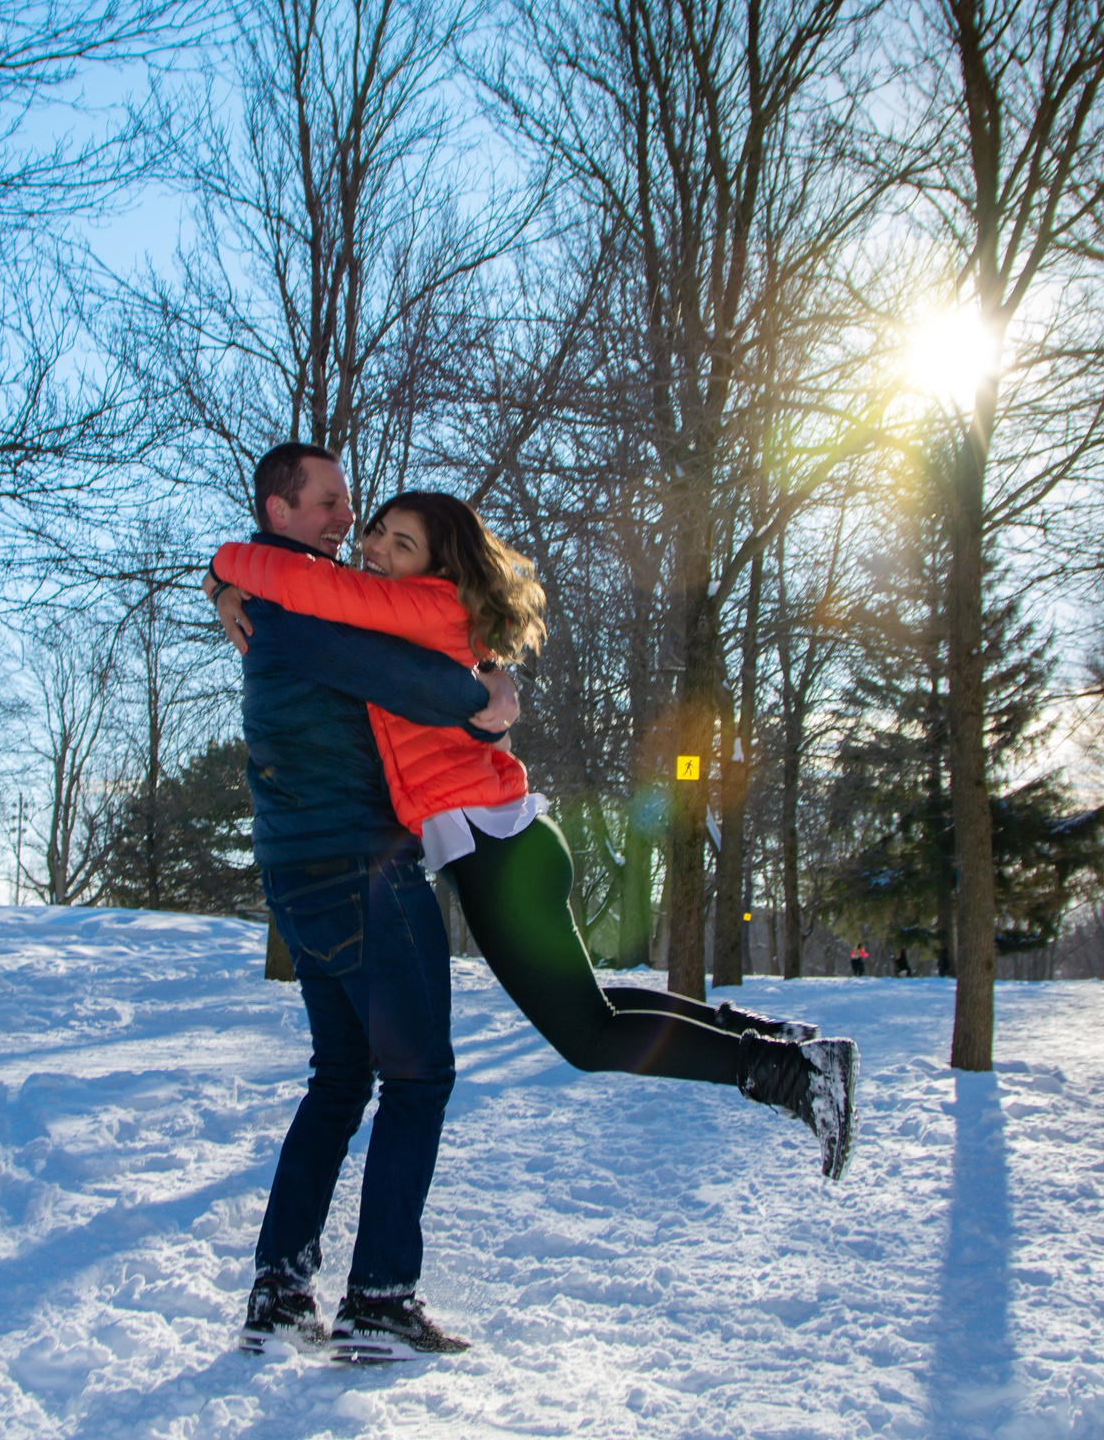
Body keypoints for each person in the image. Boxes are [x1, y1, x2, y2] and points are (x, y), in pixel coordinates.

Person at [209, 491, 858, 1183]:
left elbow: (310, 585)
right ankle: (769, 1041)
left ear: (439, 566)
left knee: (586, 1034)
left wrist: (225, 565)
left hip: (494, 853)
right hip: (504, 843)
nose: (378, 549)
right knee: (592, 1005)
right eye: (379, 533)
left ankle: (790, 1074)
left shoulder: (425, 604)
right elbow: (322, 597)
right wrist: (223, 588)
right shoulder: (406, 611)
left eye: (404, 544)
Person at [216, 446, 520, 1363]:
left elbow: (258, 576)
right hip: (359, 865)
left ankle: (280, 1291)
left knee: (342, 1078)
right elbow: (398, 674)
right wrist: (485, 700)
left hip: (299, 872)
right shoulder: (296, 604)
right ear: (279, 508)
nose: (346, 519)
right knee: (418, 1077)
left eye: (351, 504)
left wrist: (218, 579)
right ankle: (380, 1300)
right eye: (330, 503)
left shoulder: (283, 592)